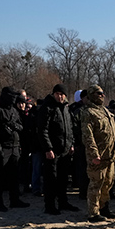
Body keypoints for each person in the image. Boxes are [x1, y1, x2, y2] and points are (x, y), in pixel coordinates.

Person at [81, 85, 115, 223]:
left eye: (103, 93)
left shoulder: (105, 111)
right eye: (99, 93)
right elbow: (88, 136)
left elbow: (113, 134)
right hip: (98, 156)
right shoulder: (88, 113)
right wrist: (94, 154)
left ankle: (104, 208)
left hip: (110, 155)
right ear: (92, 95)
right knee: (96, 184)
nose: (102, 95)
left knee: (108, 183)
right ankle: (93, 212)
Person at [0, 86, 29, 212]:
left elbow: (21, 126)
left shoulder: (14, 111)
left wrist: (12, 126)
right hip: (2, 147)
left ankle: (14, 200)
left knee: (14, 176)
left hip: (14, 146)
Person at [37, 84, 78, 216]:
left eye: (62, 94)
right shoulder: (47, 108)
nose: (59, 96)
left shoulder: (66, 108)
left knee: (63, 179)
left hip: (65, 150)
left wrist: (71, 144)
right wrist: (48, 148)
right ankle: (49, 205)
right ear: (53, 94)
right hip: (53, 151)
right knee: (51, 179)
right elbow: (43, 130)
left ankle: (63, 202)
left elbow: (70, 128)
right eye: (57, 94)